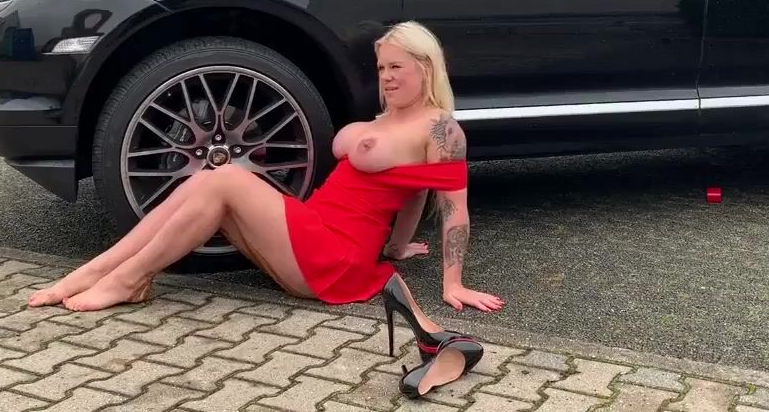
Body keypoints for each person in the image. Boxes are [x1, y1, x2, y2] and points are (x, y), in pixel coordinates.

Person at [26, 21, 503, 319]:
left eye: (397, 67)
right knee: (207, 182)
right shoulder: (386, 121)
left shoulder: (440, 128)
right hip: (313, 232)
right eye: (381, 68)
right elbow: (411, 193)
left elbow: (452, 207)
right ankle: (97, 271)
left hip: (334, 257)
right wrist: (398, 247)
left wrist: (453, 283)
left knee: (226, 177)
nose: (387, 77)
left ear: (426, 66)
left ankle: (127, 279)